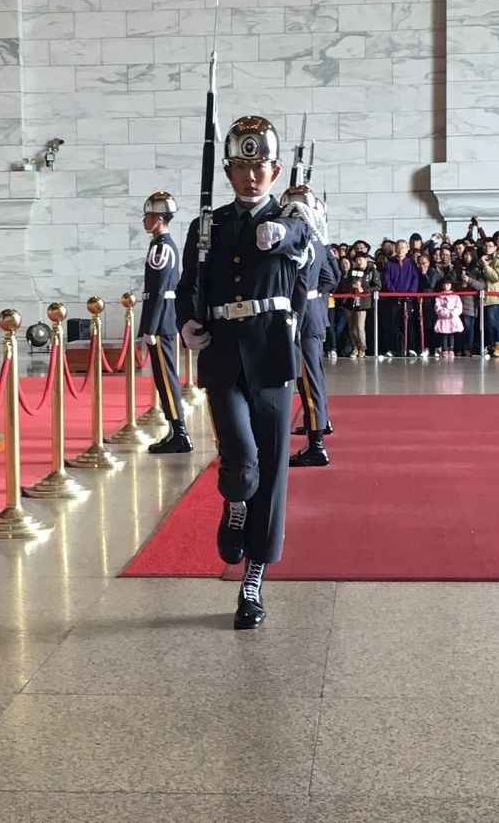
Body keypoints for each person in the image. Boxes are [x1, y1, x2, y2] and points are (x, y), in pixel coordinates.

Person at [176, 115, 311, 631]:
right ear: (229, 171)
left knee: (272, 472)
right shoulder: (206, 226)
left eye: (261, 167)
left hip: (272, 354)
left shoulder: (291, 219)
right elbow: (190, 283)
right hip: (222, 352)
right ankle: (234, 500)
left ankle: (253, 580)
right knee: (243, 459)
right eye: (241, 167)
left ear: (275, 170)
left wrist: (284, 230)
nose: (251, 177)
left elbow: (304, 240)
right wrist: (187, 321)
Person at [280, 186, 337, 467]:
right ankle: (319, 429)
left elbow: (297, 287)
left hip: (302, 321)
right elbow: (330, 276)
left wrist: (295, 318)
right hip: (313, 315)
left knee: (309, 381)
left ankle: (317, 446)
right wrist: (317, 301)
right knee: (313, 377)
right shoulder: (315, 242)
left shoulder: (300, 243)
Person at [138, 192, 192, 454]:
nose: (144, 221)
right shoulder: (162, 245)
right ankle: (176, 430)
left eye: (148, 216)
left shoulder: (161, 247)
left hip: (160, 323)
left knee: (166, 377)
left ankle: (179, 433)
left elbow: (159, 292)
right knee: (163, 377)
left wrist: (150, 328)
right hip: (163, 321)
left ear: (159, 218)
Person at [381, 238, 418, 356]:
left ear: (407, 249)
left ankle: (410, 348)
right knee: (393, 325)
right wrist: (395, 294)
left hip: (408, 299)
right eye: (398, 247)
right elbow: (387, 281)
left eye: (403, 247)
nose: (400, 249)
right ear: (395, 249)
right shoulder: (389, 263)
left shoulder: (411, 264)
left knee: (409, 324)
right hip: (393, 299)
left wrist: (410, 295)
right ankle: (394, 349)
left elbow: (415, 280)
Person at [342, 251, 381, 359]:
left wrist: (364, 289)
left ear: (366, 260)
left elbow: (377, 286)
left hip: (363, 302)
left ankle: (363, 348)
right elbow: (346, 285)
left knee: (359, 327)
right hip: (350, 302)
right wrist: (352, 286)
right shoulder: (353, 271)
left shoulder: (372, 271)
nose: (358, 262)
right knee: (351, 328)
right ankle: (355, 347)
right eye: (356, 260)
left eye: (361, 259)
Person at [479, 237, 499, 357]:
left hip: (496, 295)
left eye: (490, 246)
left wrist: (485, 265)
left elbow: (496, 276)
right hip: (486, 296)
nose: (487, 248)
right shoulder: (486, 259)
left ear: (496, 247)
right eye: (485, 246)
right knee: (488, 323)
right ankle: (491, 345)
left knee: (495, 322)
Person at [434, 279, 463, 359]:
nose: (446, 286)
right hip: (443, 319)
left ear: (451, 285)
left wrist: (452, 313)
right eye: (445, 284)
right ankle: (445, 349)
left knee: (451, 335)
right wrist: (445, 313)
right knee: (444, 335)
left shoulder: (456, 296)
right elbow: (437, 308)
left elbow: (459, 307)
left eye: (448, 284)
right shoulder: (439, 296)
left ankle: (451, 349)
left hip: (452, 318)